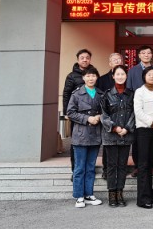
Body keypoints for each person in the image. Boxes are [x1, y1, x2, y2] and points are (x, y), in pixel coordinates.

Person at [66, 67, 103, 208]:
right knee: (79, 168)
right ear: (83, 78)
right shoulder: (76, 94)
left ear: (97, 77)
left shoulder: (100, 94)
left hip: (95, 135)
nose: (91, 78)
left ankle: (89, 194)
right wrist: (87, 118)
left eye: (93, 76)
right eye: (88, 76)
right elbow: (70, 112)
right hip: (81, 135)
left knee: (91, 167)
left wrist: (99, 116)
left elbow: (106, 111)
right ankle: (79, 196)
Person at [100, 64, 135, 208]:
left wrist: (127, 128)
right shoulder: (106, 94)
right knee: (111, 166)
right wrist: (114, 128)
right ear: (113, 76)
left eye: (123, 74)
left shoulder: (131, 94)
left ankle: (120, 192)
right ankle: (111, 194)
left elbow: (134, 114)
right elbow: (103, 115)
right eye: (118, 74)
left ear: (126, 76)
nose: (120, 77)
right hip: (110, 136)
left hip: (126, 135)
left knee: (122, 166)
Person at [126, 45, 153, 177]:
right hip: (138, 110)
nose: (146, 55)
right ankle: (138, 166)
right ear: (139, 55)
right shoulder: (132, 71)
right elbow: (129, 90)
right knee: (137, 141)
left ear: (152, 55)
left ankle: (152, 166)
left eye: (148, 53)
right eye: (143, 53)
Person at [63, 49, 99, 181]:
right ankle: (76, 169)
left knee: (92, 142)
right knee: (77, 143)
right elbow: (66, 94)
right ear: (78, 59)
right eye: (82, 57)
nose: (85, 60)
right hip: (78, 115)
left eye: (87, 57)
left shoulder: (93, 73)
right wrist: (67, 112)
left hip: (93, 116)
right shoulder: (71, 76)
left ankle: (89, 168)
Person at [133, 67, 153, 209]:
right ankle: (142, 198)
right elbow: (138, 111)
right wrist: (152, 123)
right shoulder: (139, 92)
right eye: (149, 74)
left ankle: (149, 194)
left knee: (150, 162)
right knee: (143, 164)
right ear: (144, 76)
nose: (152, 76)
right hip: (143, 130)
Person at [96, 52, 123, 179]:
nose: (117, 61)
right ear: (109, 63)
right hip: (108, 117)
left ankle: (120, 169)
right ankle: (107, 169)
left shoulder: (126, 77)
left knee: (122, 144)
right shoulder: (102, 80)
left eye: (119, 59)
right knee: (108, 145)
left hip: (123, 116)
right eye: (114, 60)